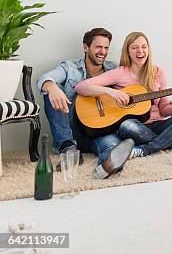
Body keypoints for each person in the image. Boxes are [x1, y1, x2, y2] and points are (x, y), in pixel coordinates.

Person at [75, 31, 172, 178]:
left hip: (156, 125)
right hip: (132, 127)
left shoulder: (158, 72)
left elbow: (164, 110)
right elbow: (81, 87)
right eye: (135, 48)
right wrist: (111, 92)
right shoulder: (120, 73)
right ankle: (170, 143)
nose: (140, 51)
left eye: (144, 47)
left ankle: (143, 150)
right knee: (127, 125)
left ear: (148, 49)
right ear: (128, 51)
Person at [36, 28, 134, 175]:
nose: (103, 51)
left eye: (106, 47)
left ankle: (104, 169)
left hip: (100, 131)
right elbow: (44, 78)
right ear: (85, 47)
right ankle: (68, 149)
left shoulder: (114, 70)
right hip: (71, 131)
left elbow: (131, 91)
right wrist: (51, 86)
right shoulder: (70, 68)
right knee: (52, 91)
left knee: (112, 147)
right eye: (98, 47)